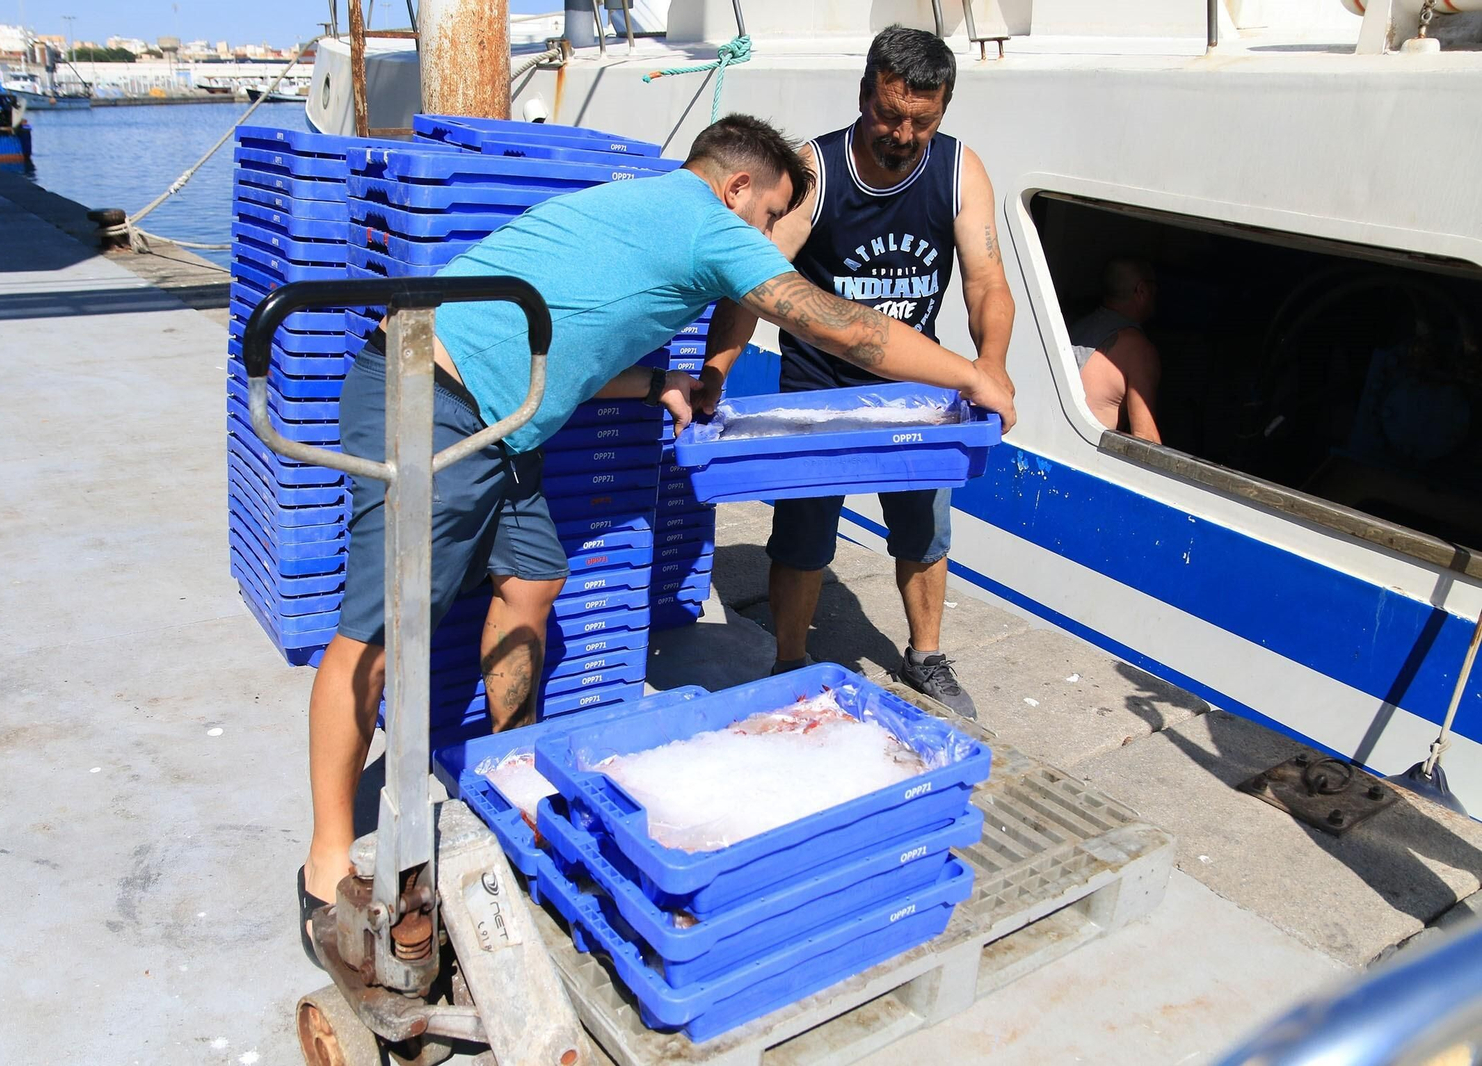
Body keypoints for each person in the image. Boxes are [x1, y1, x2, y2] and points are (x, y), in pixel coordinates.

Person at [296, 113, 1016, 965]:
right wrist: (973, 371)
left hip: (500, 416)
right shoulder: (706, 219)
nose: (765, 238)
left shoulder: (642, 210)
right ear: (737, 187)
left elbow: (575, 325)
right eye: (766, 217)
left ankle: (505, 768)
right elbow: (832, 323)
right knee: (380, 628)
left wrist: (661, 385)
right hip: (429, 399)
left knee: (534, 581)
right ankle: (327, 862)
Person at [697, 26, 1017, 719]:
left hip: (915, 393)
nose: (902, 133)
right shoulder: (814, 171)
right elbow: (756, 285)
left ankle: (924, 654)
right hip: (819, 388)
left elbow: (987, 280)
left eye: (921, 121)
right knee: (804, 533)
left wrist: (990, 364)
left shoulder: (960, 170)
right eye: (888, 113)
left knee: (925, 530)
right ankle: (788, 659)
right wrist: (714, 374)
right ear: (864, 93)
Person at [1070, 258, 1161, 444]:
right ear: (1142, 290)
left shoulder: (1076, 327)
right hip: (1086, 460)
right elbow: (1145, 440)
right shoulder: (1138, 349)